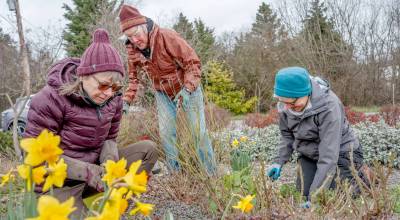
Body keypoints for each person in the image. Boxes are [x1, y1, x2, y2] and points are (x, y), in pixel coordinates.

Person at [23, 28, 158, 216]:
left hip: (95, 175)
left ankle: (111, 199)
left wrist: (109, 164)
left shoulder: (114, 100)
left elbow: (110, 139)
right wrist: (86, 172)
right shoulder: (50, 99)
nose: (109, 92)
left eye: (116, 86)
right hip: (59, 183)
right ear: (83, 75)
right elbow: (35, 158)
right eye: (103, 84)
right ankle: (91, 205)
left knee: (148, 149)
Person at [118, 5, 216, 174]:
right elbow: (134, 79)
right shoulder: (132, 50)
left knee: (197, 132)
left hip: (186, 88)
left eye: (136, 34)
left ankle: (210, 173)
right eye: (129, 37)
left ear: (145, 27)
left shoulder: (166, 36)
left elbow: (192, 63)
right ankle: (174, 172)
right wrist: (126, 101)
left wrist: (187, 89)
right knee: (166, 133)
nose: (134, 40)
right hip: (162, 92)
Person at [266, 67, 369, 208]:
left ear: (306, 93)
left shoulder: (329, 106)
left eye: (293, 103)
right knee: (303, 193)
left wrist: (316, 197)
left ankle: (361, 178)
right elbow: (287, 135)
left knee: (332, 197)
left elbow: (329, 154)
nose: (288, 108)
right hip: (311, 153)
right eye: (283, 102)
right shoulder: (286, 105)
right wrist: (278, 162)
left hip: (342, 153)